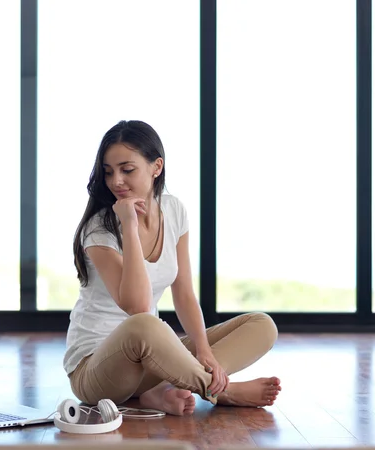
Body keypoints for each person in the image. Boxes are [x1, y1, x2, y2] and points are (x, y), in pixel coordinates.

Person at [63, 120, 281, 416]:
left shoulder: (174, 210)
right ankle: (222, 390)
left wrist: (204, 350)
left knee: (261, 325)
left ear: (156, 167)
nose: (116, 181)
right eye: (109, 171)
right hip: (96, 370)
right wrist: (128, 223)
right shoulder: (99, 229)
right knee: (146, 324)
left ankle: (161, 389)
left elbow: (184, 294)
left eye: (127, 170)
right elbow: (138, 306)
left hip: (149, 361)